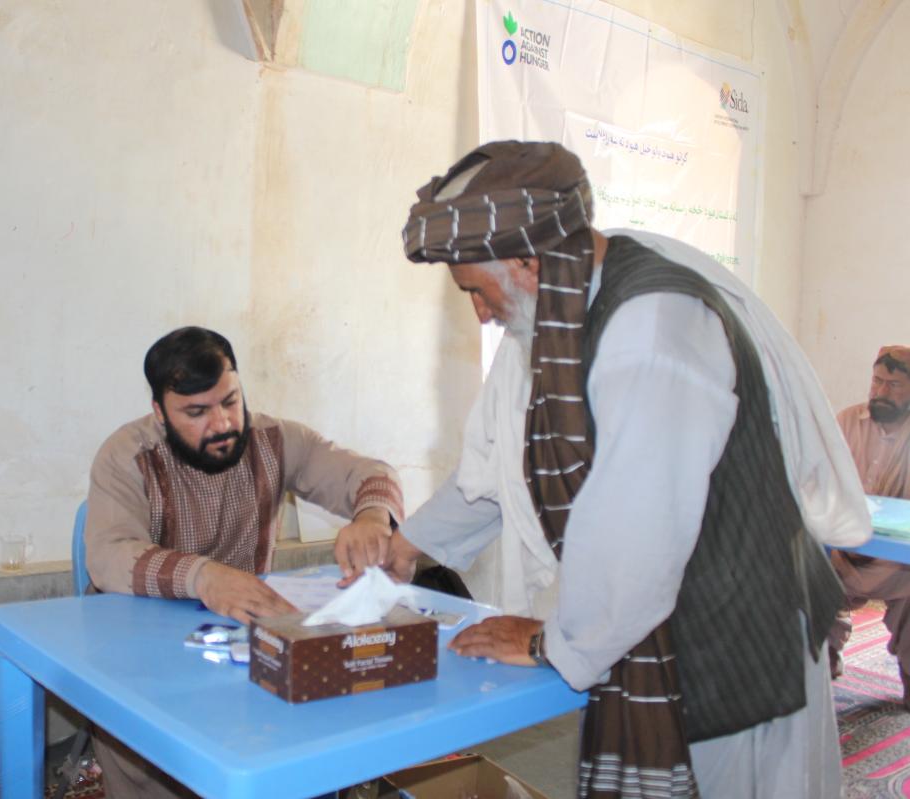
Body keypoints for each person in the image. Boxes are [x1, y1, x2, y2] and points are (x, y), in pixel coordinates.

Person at [334, 141, 871, 798]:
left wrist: (549, 643)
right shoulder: (549, 316)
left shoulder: (652, 328)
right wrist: (407, 546)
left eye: (475, 291)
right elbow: (495, 464)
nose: (478, 312)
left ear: (526, 262)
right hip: (663, 631)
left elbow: (638, 536)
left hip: (733, 635)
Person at [86, 325, 404, 799]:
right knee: (143, 750)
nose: (222, 424)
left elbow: (371, 474)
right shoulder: (128, 456)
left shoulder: (275, 441)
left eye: (230, 402)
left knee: (321, 731)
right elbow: (107, 556)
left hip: (244, 643)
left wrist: (373, 515)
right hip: (142, 655)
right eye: (196, 412)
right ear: (159, 413)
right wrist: (203, 577)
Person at [829, 345, 910, 699]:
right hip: (840, 554)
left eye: (894, 385)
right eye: (877, 381)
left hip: (899, 565)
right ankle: (826, 655)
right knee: (799, 575)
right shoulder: (846, 421)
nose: (880, 391)